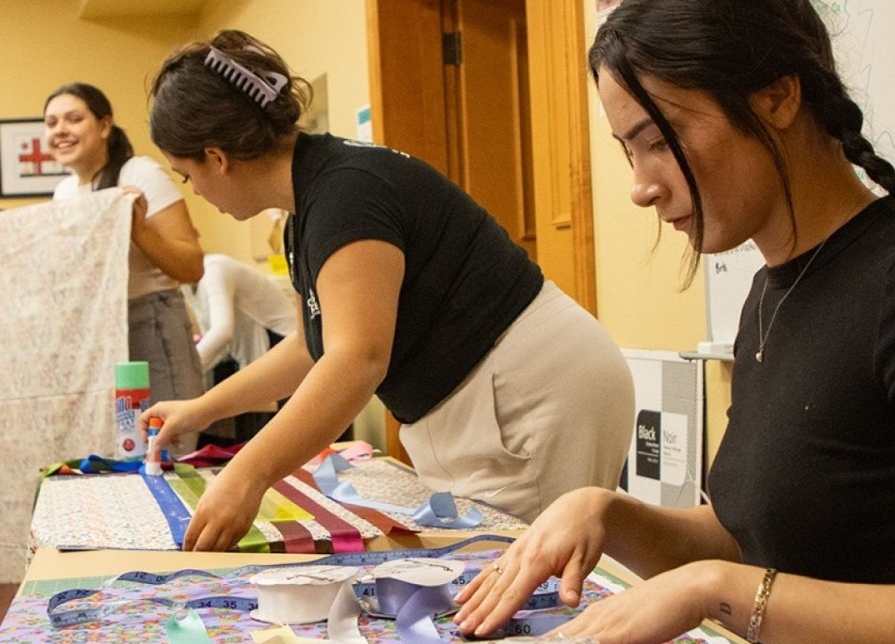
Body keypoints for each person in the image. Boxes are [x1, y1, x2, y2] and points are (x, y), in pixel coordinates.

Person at [454, 0, 895, 644]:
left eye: (659, 140)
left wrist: (714, 592)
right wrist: (610, 513)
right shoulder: (772, 293)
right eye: (631, 151)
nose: (641, 186)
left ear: (775, 96)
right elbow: (757, 530)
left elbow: (739, 569)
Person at [140, 28, 635, 552]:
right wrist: (204, 409)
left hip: (533, 394)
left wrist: (248, 473)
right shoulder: (313, 202)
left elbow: (356, 360)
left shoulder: (345, 195)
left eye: (187, 177)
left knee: (525, 582)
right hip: (504, 391)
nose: (196, 193)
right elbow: (317, 345)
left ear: (217, 158)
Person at [44, 83, 205, 428]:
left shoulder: (139, 173)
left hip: (150, 321)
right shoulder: (64, 193)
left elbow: (192, 266)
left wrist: (137, 229)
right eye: (51, 122)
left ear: (104, 126)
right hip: (97, 336)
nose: (60, 130)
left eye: (73, 119)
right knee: (119, 445)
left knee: (165, 441)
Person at [183, 252, 296, 374]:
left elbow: (222, 331)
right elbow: (210, 336)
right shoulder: (186, 286)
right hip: (247, 350)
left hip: (281, 339)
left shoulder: (215, 268)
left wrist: (186, 370)